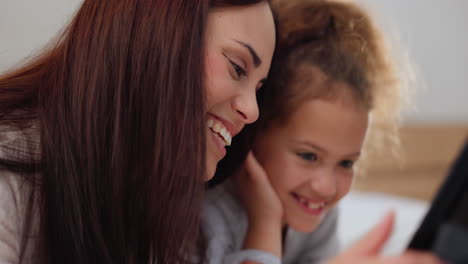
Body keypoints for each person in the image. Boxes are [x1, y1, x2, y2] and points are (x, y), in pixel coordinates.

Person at [0, 0, 275, 263]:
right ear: (160, 33)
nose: (252, 112)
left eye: (258, 89)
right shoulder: (10, 179)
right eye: (238, 68)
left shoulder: (150, 202)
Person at [202, 0, 444, 263]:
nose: (326, 187)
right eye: (308, 156)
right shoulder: (211, 220)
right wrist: (265, 222)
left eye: (346, 163)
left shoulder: (319, 217)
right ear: (254, 134)